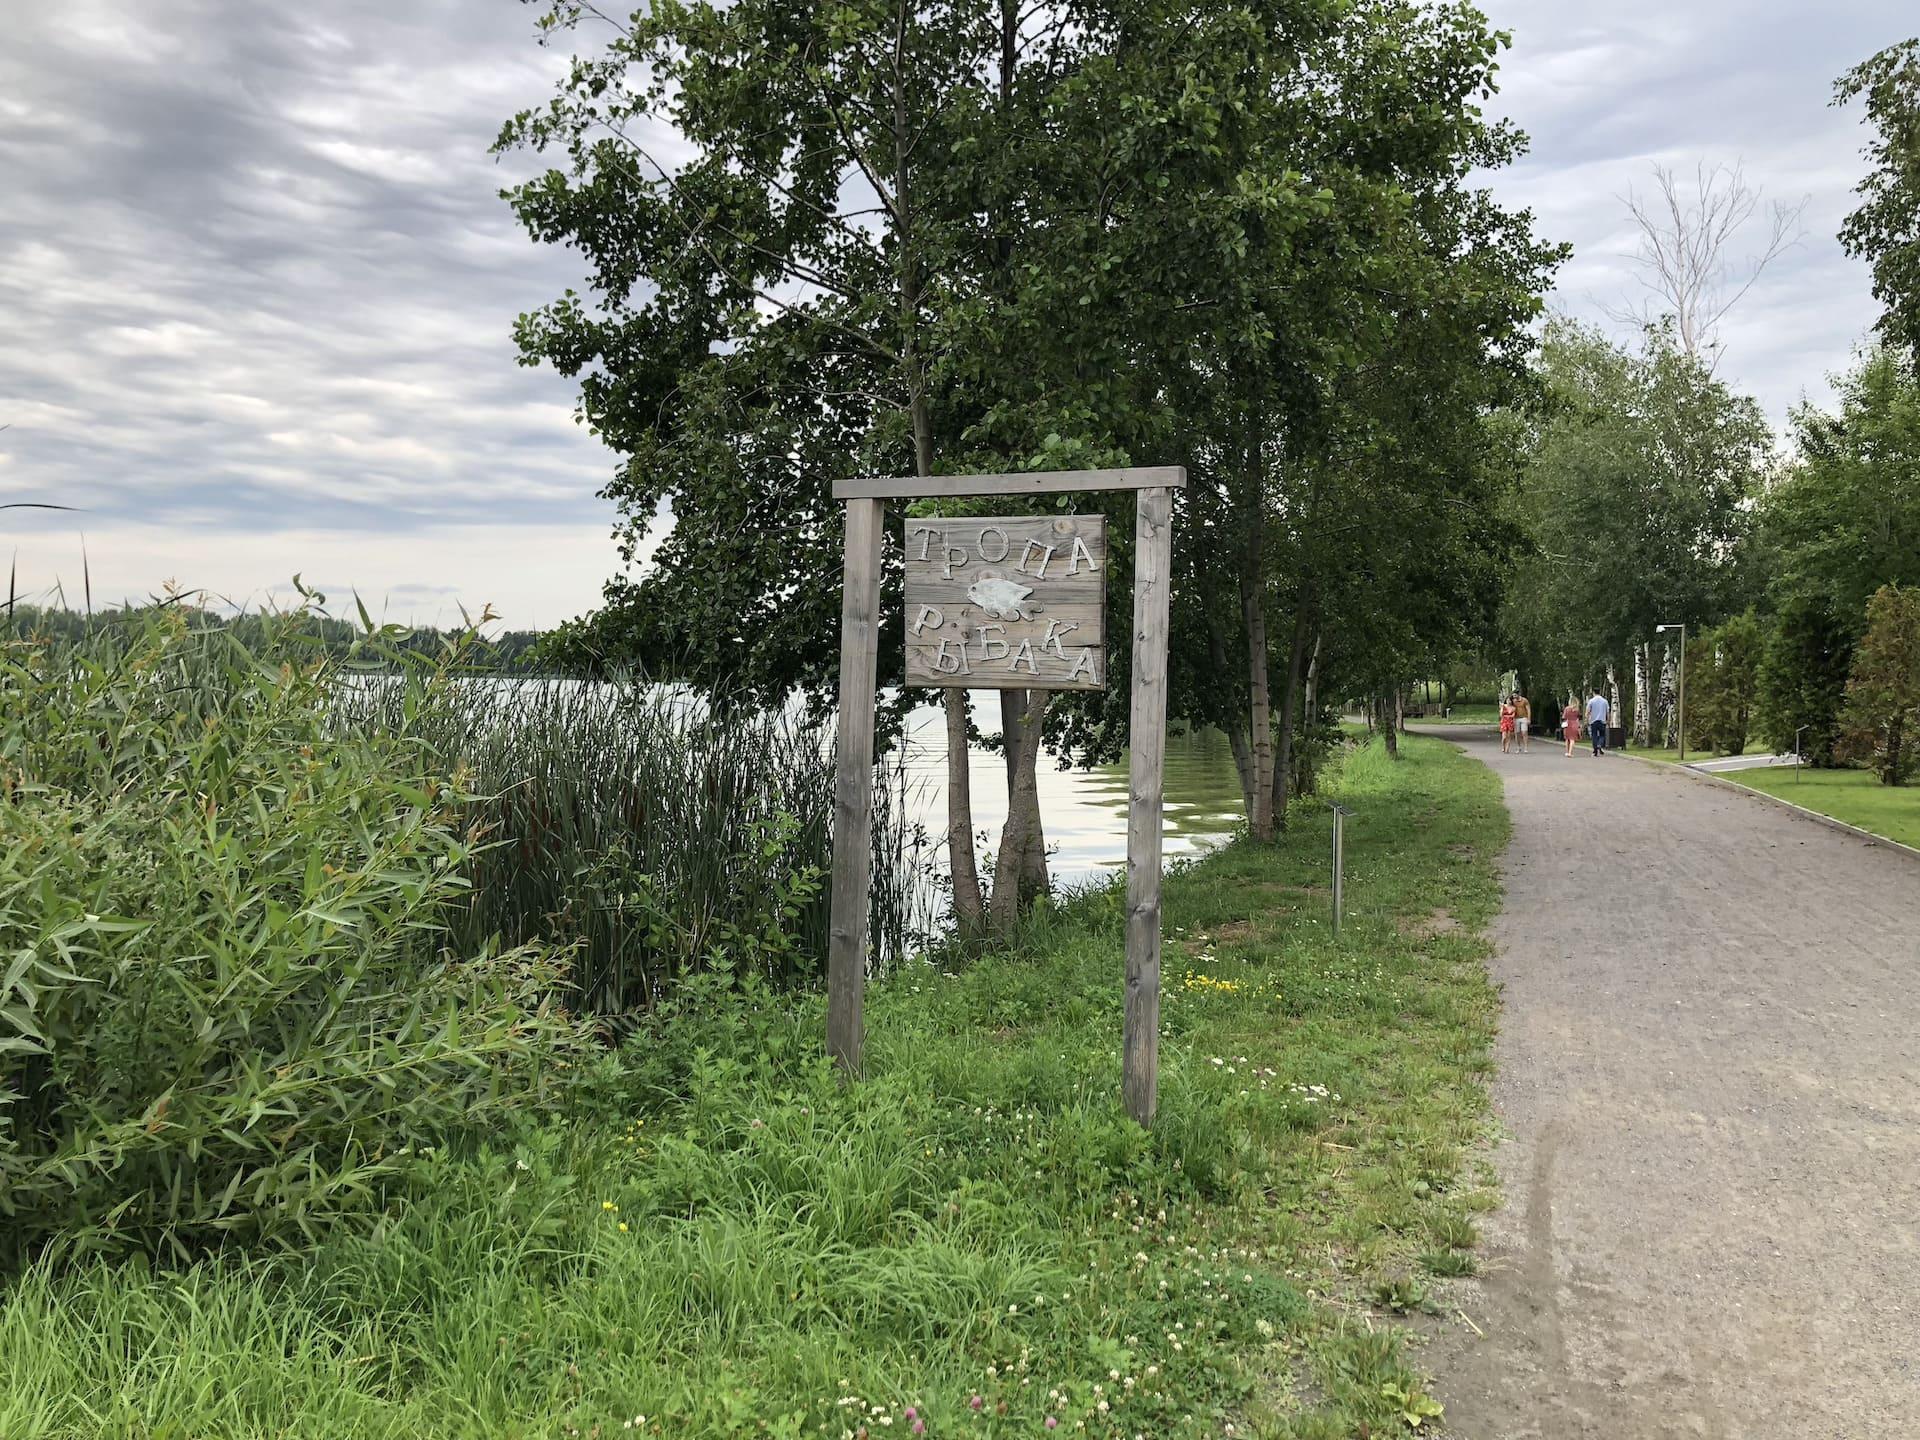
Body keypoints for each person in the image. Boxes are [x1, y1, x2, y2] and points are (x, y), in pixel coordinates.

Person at [1585, 687, 1610, 757]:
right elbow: (1608, 712)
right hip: (1602, 720)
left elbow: (1587, 711)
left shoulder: (1591, 701)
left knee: (1594, 735)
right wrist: (1608, 720)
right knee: (1602, 735)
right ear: (1600, 692)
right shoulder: (1605, 701)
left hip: (1593, 721)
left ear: (1593, 692)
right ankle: (1600, 744)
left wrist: (1586, 719)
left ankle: (1595, 751)